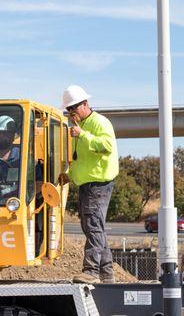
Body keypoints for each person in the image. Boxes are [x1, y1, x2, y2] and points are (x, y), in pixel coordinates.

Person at [59, 85, 119, 284]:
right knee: (94, 227)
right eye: (68, 110)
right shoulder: (80, 128)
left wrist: (83, 135)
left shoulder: (99, 123)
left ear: (85, 104)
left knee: (93, 226)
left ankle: (91, 271)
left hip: (99, 184)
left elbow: (107, 147)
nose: (71, 113)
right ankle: (106, 272)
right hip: (87, 184)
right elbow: (80, 160)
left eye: (73, 109)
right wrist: (68, 175)